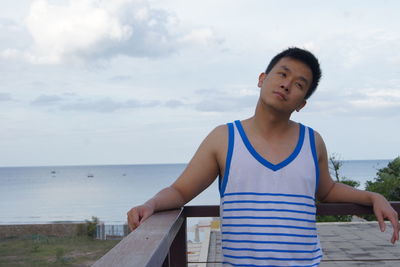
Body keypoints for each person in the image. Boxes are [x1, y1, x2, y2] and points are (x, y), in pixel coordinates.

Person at [127, 47, 399, 266]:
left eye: (299, 84)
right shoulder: (224, 138)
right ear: (261, 79)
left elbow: (326, 190)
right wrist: (151, 205)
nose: (286, 85)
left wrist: (373, 196)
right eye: (282, 74)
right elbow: (180, 190)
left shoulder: (312, 141)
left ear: (302, 103)